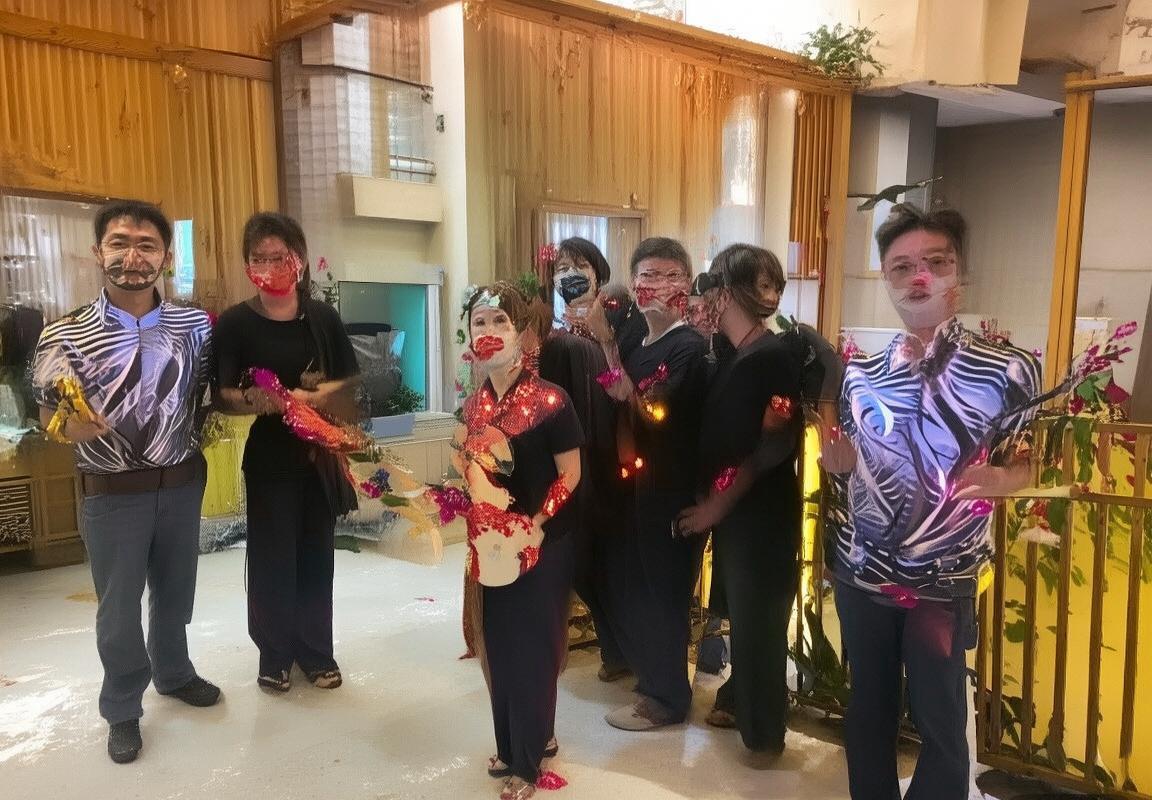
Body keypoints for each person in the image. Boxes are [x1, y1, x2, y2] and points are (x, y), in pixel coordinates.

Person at [822, 204, 1040, 800]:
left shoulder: (1008, 370)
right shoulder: (861, 373)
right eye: (901, 267)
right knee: (868, 706)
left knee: (941, 716)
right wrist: (838, 465)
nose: (919, 277)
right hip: (863, 569)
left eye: (935, 262)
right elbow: (859, 464)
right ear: (885, 279)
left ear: (958, 272)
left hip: (943, 577)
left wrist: (1003, 479)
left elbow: (1029, 464)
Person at [31, 200, 220, 764]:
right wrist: (73, 427)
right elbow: (48, 418)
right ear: (98, 251)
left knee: (176, 593)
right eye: (119, 243)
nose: (132, 256)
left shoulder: (193, 328)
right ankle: (121, 708)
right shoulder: (63, 334)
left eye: (146, 245)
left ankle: (174, 673)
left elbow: (205, 398)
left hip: (181, 485)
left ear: (165, 257)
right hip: (112, 495)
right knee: (117, 612)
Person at [214, 212, 360, 694]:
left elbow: (350, 383)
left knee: (317, 558)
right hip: (269, 460)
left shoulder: (322, 318)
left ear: (299, 259)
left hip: (318, 458)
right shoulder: (236, 323)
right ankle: (275, 655)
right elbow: (222, 394)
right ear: (247, 264)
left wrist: (310, 399)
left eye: (280, 257)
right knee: (272, 560)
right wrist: (259, 400)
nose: (271, 266)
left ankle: (316, 652)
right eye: (260, 258)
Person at [454, 283, 583, 800]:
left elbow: (570, 474)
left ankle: (526, 763)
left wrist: (537, 521)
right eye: (479, 322)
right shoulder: (473, 407)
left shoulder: (552, 400)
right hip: (492, 546)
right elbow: (473, 474)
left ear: (522, 333)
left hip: (543, 542)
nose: (488, 332)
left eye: (499, 322)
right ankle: (513, 745)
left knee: (533, 648)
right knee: (500, 646)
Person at [677, 245, 803, 765]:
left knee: (760, 627)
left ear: (724, 293)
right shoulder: (735, 351)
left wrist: (717, 506)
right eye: (765, 284)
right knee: (746, 621)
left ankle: (765, 738)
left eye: (775, 285)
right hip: (738, 515)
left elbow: (774, 445)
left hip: (759, 514)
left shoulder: (772, 355)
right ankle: (749, 719)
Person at [587, 237, 710, 731]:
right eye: (647, 276)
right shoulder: (639, 343)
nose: (658, 286)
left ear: (687, 284)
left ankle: (667, 698)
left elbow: (657, 416)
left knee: (665, 591)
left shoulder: (690, 348)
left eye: (670, 275)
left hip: (674, 488)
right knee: (639, 585)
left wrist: (607, 352)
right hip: (638, 485)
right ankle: (653, 681)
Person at [538, 237, 632, 683]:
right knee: (583, 558)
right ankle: (615, 649)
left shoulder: (619, 327)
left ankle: (622, 649)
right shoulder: (554, 338)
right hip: (572, 457)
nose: (569, 274)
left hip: (614, 453)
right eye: (561, 267)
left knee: (604, 557)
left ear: (598, 273)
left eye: (579, 265)